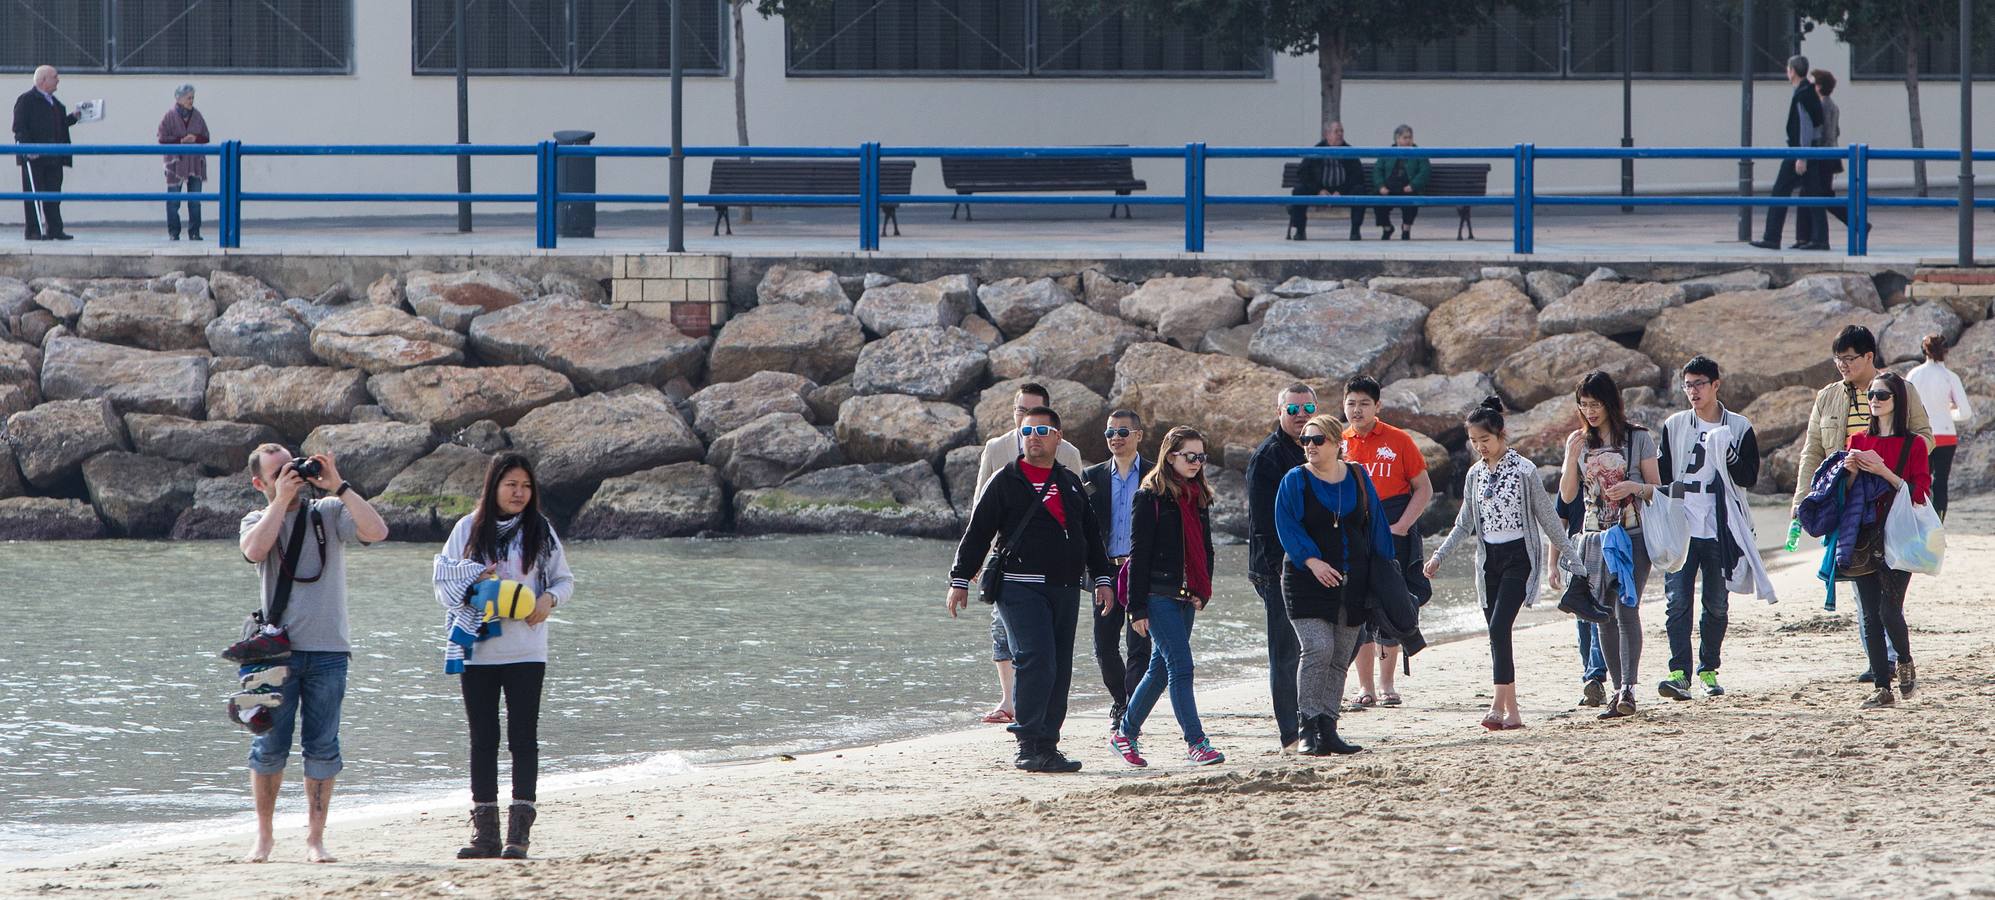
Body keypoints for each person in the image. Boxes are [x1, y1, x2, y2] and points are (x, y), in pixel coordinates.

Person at [237, 444, 390, 863]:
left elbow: (377, 532)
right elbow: (254, 551)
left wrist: (338, 485)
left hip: (329, 651)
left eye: (293, 467)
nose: (290, 476)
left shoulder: (327, 511)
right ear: (259, 483)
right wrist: (281, 503)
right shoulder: (256, 519)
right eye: (278, 474)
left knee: (322, 747)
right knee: (268, 747)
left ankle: (315, 839)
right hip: (273, 656)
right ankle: (264, 838)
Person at [947, 407, 1116, 773]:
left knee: (1060, 667)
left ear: (1058, 436)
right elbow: (977, 533)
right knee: (1035, 658)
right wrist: (960, 579)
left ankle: (1047, 745)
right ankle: (1027, 745)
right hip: (1018, 588)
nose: (1034, 436)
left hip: (1066, 588)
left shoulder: (1070, 482)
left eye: (1042, 430)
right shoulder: (1005, 480)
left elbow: (1090, 535)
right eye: (1027, 431)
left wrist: (1102, 579)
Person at [433, 453, 574, 860]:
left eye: (526, 486)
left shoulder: (540, 530)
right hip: (477, 649)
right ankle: (486, 836)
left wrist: (549, 599)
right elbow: (442, 583)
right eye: (511, 484)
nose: (519, 493)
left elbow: (565, 580)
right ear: (494, 486)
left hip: (527, 651)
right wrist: (471, 579)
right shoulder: (468, 529)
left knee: (523, 738)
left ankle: (519, 835)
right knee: (483, 739)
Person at [1791, 325, 1933, 683]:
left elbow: (1924, 437)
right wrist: (1803, 499)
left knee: (1889, 596)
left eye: (1850, 358)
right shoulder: (1827, 397)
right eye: (1838, 359)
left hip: (1893, 503)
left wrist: (1892, 465)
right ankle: (1880, 662)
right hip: (1850, 501)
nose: (1843, 365)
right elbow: (1813, 451)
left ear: (1869, 357)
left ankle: (1893, 657)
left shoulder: (1901, 390)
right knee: (1861, 583)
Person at [1427, 398, 1579, 731]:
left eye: (1485, 440)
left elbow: (1548, 518)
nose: (1480, 447)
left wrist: (1572, 558)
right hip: (1488, 561)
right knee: (1499, 636)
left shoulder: (1524, 470)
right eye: (1474, 441)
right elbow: (1464, 523)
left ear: (1501, 434)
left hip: (1518, 558)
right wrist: (1439, 556)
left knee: (1497, 628)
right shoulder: (1473, 475)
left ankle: (1496, 707)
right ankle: (1514, 714)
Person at [1276, 414, 1394, 754]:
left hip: (1353, 582)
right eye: (1305, 441)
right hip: (1305, 580)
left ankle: (1328, 728)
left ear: (1337, 444)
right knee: (1317, 648)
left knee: (1342, 654)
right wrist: (1312, 561)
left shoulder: (1357, 475)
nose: (1310, 446)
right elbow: (1286, 525)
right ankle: (1307, 727)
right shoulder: (1295, 480)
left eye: (1317, 440)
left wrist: (1386, 571)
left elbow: (1377, 526)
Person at [1109, 426, 1223, 768]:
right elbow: (1139, 554)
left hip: (1187, 595)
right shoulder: (1150, 496)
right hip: (1157, 594)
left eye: (1201, 457)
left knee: (1160, 669)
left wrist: (1205, 589)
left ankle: (1124, 734)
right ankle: (1196, 742)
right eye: (1190, 456)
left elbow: (1206, 548)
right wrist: (1136, 608)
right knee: (1181, 665)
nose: (1196, 463)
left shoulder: (1197, 495)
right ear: (1170, 455)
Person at [971, 382, 1084, 725]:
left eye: (1033, 413)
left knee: (1043, 641)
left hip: (1052, 563)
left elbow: (1080, 513)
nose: (1025, 420)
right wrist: (974, 562)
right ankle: (1010, 700)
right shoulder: (996, 447)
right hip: (1005, 558)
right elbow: (980, 507)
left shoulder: (1067, 453)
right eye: (1020, 412)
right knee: (1000, 629)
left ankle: (1030, 704)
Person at [1655, 357, 1765, 701]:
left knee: (1717, 603)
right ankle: (1678, 672)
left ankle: (1708, 669)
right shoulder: (1674, 425)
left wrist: (1727, 452)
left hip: (1721, 525)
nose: (1693, 391)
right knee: (1677, 602)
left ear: (1716, 384)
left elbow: (1749, 477)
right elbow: (1661, 476)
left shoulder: (1739, 425)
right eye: (1687, 385)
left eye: (1699, 384)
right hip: (1683, 525)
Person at [1558, 372, 1662, 720]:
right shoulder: (1578, 442)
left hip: (1632, 536)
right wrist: (1571, 456)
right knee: (1601, 613)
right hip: (1594, 539)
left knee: (1626, 608)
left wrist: (1632, 486)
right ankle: (1617, 692)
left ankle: (1629, 688)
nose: (1589, 411)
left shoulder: (1637, 438)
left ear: (1610, 403)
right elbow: (1568, 496)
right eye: (1583, 405)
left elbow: (1657, 488)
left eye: (1595, 404)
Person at [1340, 375, 1433, 708]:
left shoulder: (1398, 440)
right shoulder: (1338, 442)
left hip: (1394, 526)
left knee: (1392, 604)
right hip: (1353, 532)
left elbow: (1423, 488)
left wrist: (1403, 525)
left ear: (1377, 406)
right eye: (1351, 403)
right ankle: (1365, 687)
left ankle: (1387, 684)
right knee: (1359, 609)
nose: (1357, 410)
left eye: (1365, 403)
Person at [1843, 372, 1932, 708]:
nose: (1875, 401)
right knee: (1868, 611)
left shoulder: (1915, 444)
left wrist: (1884, 472)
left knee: (1888, 607)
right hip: (1862, 533)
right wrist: (1849, 473)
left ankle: (1905, 661)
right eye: (1871, 396)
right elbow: (1846, 496)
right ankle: (1882, 687)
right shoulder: (1856, 441)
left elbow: (1921, 493)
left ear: (1898, 400)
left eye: (1882, 395)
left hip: (1900, 533)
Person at [1246, 383, 1317, 750]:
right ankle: (1291, 734)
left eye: (1308, 408)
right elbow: (1261, 523)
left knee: (1326, 645)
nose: (1301, 415)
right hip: (1277, 569)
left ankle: (1314, 720)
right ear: (1279, 412)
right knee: (1286, 652)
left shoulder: (1318, 450)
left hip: (1315, 565)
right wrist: (1282, 568)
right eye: (1293, 410)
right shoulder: (1268, 456)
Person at [1083, 410, 1152, 730]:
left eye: (1123, 432)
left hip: (1143, 571)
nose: (1115, 439)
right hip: (1105, 571)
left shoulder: (1156, 475)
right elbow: (1081, 528)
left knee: (1140, 644)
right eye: (1110, 433)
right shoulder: (1091, 477)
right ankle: (1121, 701)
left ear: (1139, 435)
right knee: (1104, 644)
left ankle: (1129, 708)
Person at [1751, 55, 1829, 251]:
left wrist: (1801, 156)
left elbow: (1805, 127)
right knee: (1814, 195)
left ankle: (1772, 237)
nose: (1787, 71)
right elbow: (1816, 126)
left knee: (1780, 191)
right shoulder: (1809, 92)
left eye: (1788, 68)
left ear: (1792, 71)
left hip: (1799, 151)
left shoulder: (1802, 94)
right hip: (1810, 150)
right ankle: (1820, 239)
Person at [1906, 333, 1974, 519]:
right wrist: (1949, 412)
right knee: (1941, 482)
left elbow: (1906, 408)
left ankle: (1919, 519)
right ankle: (1938, 523)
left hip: (1920, 436)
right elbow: (1966, 412)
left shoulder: (1914, 374)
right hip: (1945, 434)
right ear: (1946, 350)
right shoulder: (1950, 377)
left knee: (1920, 480)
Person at [12, 66, 78, 241]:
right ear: (43, 80)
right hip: (35, 157)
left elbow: (59, 124)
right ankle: (33, 231)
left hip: (54, 156)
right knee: (34, 195)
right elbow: (19, 127)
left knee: (54, 194)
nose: (58, 80)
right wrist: (28, 148)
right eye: (54, 77)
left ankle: (55, 229)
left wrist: (74, 118)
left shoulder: (55, 104)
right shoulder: (27, 100)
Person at [1287, 120, 1367, 242]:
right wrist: (1319, 190)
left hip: (1343, 189)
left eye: (1341, 131)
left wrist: (1340, 191)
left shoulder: (1349, 151)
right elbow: (1302, 173)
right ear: (1327, 134)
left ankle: (1355, 231)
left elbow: (1357, 176)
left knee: (1359, 191)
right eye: (1336, 131)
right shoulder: (1316, 150)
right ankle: (1300, 230)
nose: (1340, 134)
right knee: (1299, 190)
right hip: (1319, 189)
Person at [157, 84, 210, 241]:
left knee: (195, 200)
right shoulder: (169, 116)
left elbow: (206, 136)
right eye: (188, 98)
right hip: (175, 164)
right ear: (179, 99)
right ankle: (174, 232)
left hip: (194, 162)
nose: (191, 101)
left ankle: (195, 232)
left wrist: (195, 139)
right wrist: (180, 141)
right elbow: (161, 138)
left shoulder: (198, 116)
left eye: (193, 98)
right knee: (173, 200)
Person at [1371, 124, 1429, 241]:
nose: (1408, 141)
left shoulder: (1419, 153)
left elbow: (1425, 171)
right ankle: (1387, 228)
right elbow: (1377, 170)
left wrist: (1413, 185)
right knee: (1377, 199)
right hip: (1389, 188)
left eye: (1410, 137)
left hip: (1408, 188)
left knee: (1411, 200)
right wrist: (1381, 186)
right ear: (1397, 139)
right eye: (1405, 138)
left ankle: (1406, 229)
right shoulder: (1387, 153)